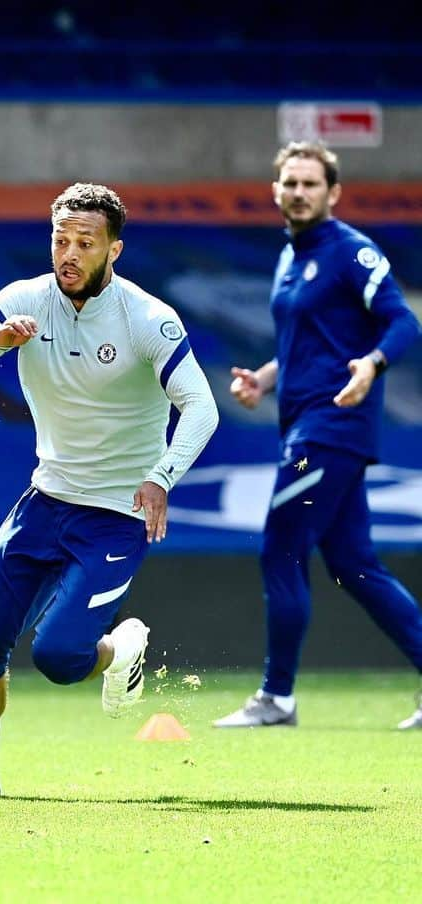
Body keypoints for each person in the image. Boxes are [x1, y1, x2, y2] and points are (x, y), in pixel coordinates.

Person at [0, 183, 219, 798]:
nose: (69, 252)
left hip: (117, 513)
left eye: (85, 242)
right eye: (61, 239)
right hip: (45, 499)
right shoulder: (23, 299)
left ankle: (120, 649)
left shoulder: (147, 318)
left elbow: (201, 407)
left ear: (113, 249)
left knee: (60, 659)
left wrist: (161, 476)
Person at [215, 142, 422, 731]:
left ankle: (276, 697)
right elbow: (307, 346)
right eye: (291, 182)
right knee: (355, 565)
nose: (300, 192)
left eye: (311, 183)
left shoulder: (351, 252)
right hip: (310, 423)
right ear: (276, 191)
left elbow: (402, 319)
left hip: (331, 427)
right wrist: (263, 377)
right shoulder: (290, 257)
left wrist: (373, 364)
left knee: (281, 546)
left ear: (333, 193)